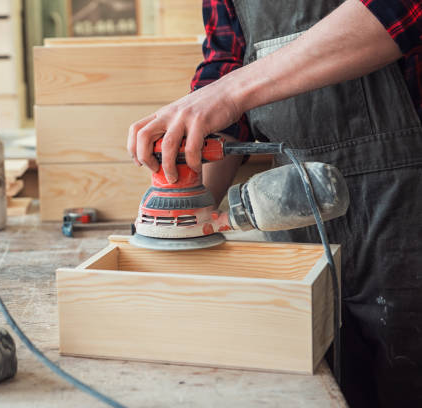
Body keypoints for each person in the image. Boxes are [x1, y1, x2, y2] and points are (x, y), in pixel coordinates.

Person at [127, 0, 422, 407]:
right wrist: (189, 201)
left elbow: (401, 10)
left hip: (407, 204)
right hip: (291, 202)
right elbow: (225, 67)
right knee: (318, 382)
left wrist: (228, 94)